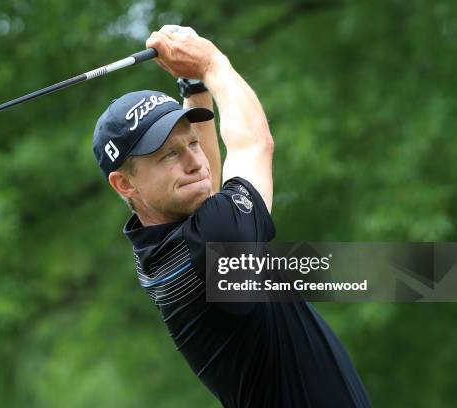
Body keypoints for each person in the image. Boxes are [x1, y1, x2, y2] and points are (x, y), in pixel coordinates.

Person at [92, 25, 372, 408]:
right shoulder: (216, 247)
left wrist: (193, 87)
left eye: (192, 143)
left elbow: (207, 185)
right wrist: (211, 62)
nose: (197, 162)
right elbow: (256, 143)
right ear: (124, 185)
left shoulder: (163, 246)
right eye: (169, 155)